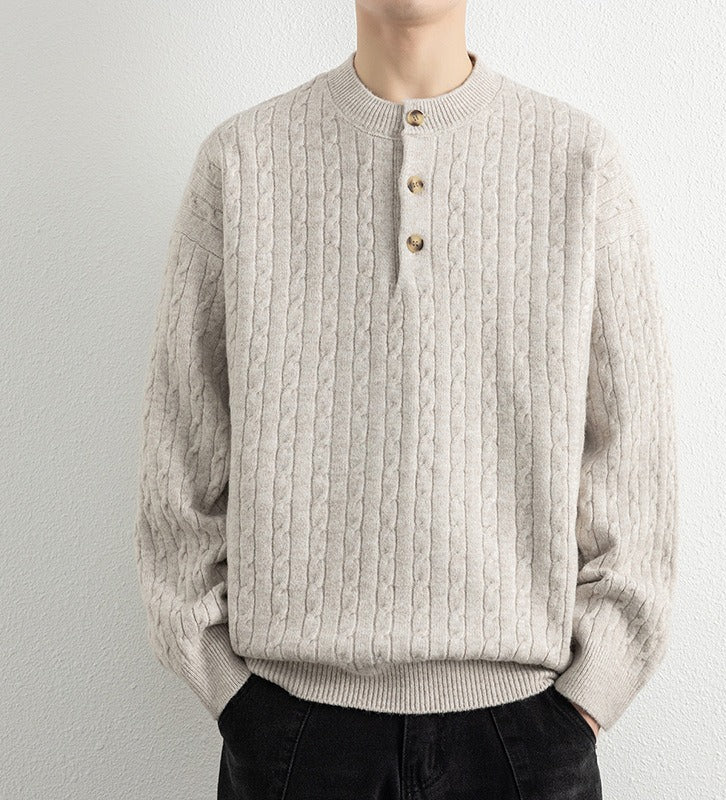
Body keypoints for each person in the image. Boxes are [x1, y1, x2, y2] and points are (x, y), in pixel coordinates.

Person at [132, 1, 678, 797]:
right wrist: (231, 692)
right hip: (293, 730)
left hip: (524, 733)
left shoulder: (578, 162)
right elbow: (181, 446)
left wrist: (587, 702)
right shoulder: (242, 162)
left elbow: (635, 455)